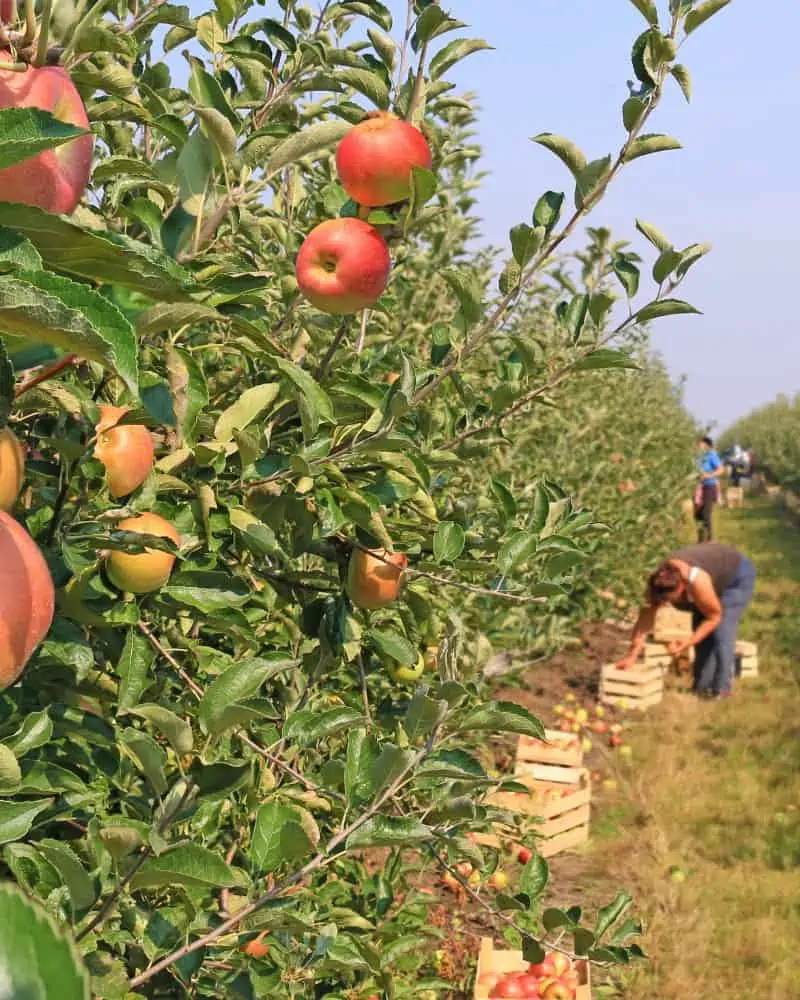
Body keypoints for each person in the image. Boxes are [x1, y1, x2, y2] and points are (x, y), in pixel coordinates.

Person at [615, 542, 756, 698]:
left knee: (722, 631)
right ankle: (701, 687)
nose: (669, 603)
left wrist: (688, 642)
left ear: (682, 583)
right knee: (700, 630)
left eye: (672, 598)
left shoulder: (697, 580)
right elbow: (644, 623)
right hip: (711, 577)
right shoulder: (658, 582)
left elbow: (714, 617)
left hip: (736, 576)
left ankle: (722, 688)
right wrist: (632, 656)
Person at [695, 436, 722, 541]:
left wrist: (709, 475)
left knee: (706, 514)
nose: (698, 446)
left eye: (700, 444)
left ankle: (710, 539)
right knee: (698, 514)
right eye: (698, 444)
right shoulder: (696, 456)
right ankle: (700, 539)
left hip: (709, 486)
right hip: (697, 487)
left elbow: (720, 470)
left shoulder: (711, 455)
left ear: (706, 445)